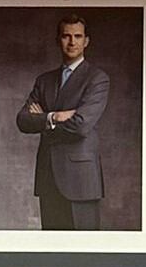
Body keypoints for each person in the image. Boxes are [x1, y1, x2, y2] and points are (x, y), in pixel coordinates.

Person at [15, 15, 110, 230]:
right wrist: (54, 117)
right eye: (66, 36)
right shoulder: (44, 81)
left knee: (83, 247)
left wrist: (42, 121)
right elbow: (22, 120)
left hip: (81, 181)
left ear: (86, 41)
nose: (72, 42)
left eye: (78, 36)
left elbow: (81, 125)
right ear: (58, 40)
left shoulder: (97, 78)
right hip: (48, 177)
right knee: (52, 247)